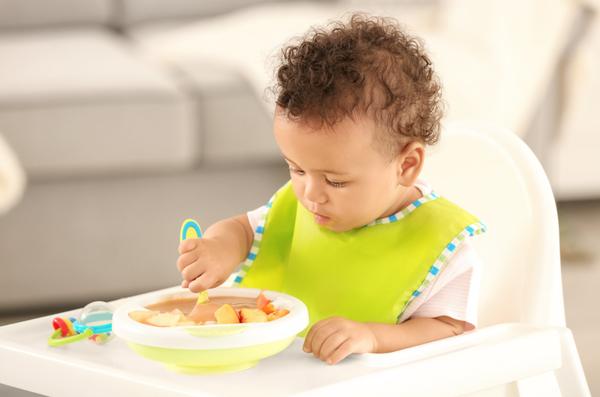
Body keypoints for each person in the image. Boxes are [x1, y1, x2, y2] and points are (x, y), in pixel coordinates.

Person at [176, 13, 486, 365]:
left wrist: (370, 336)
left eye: (335, 180)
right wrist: (218, 248)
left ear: (407, 165)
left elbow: (449, 331)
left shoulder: (442, 247)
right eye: (296, 168)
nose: (310, 194)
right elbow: (244, 231)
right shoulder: (299, 206)